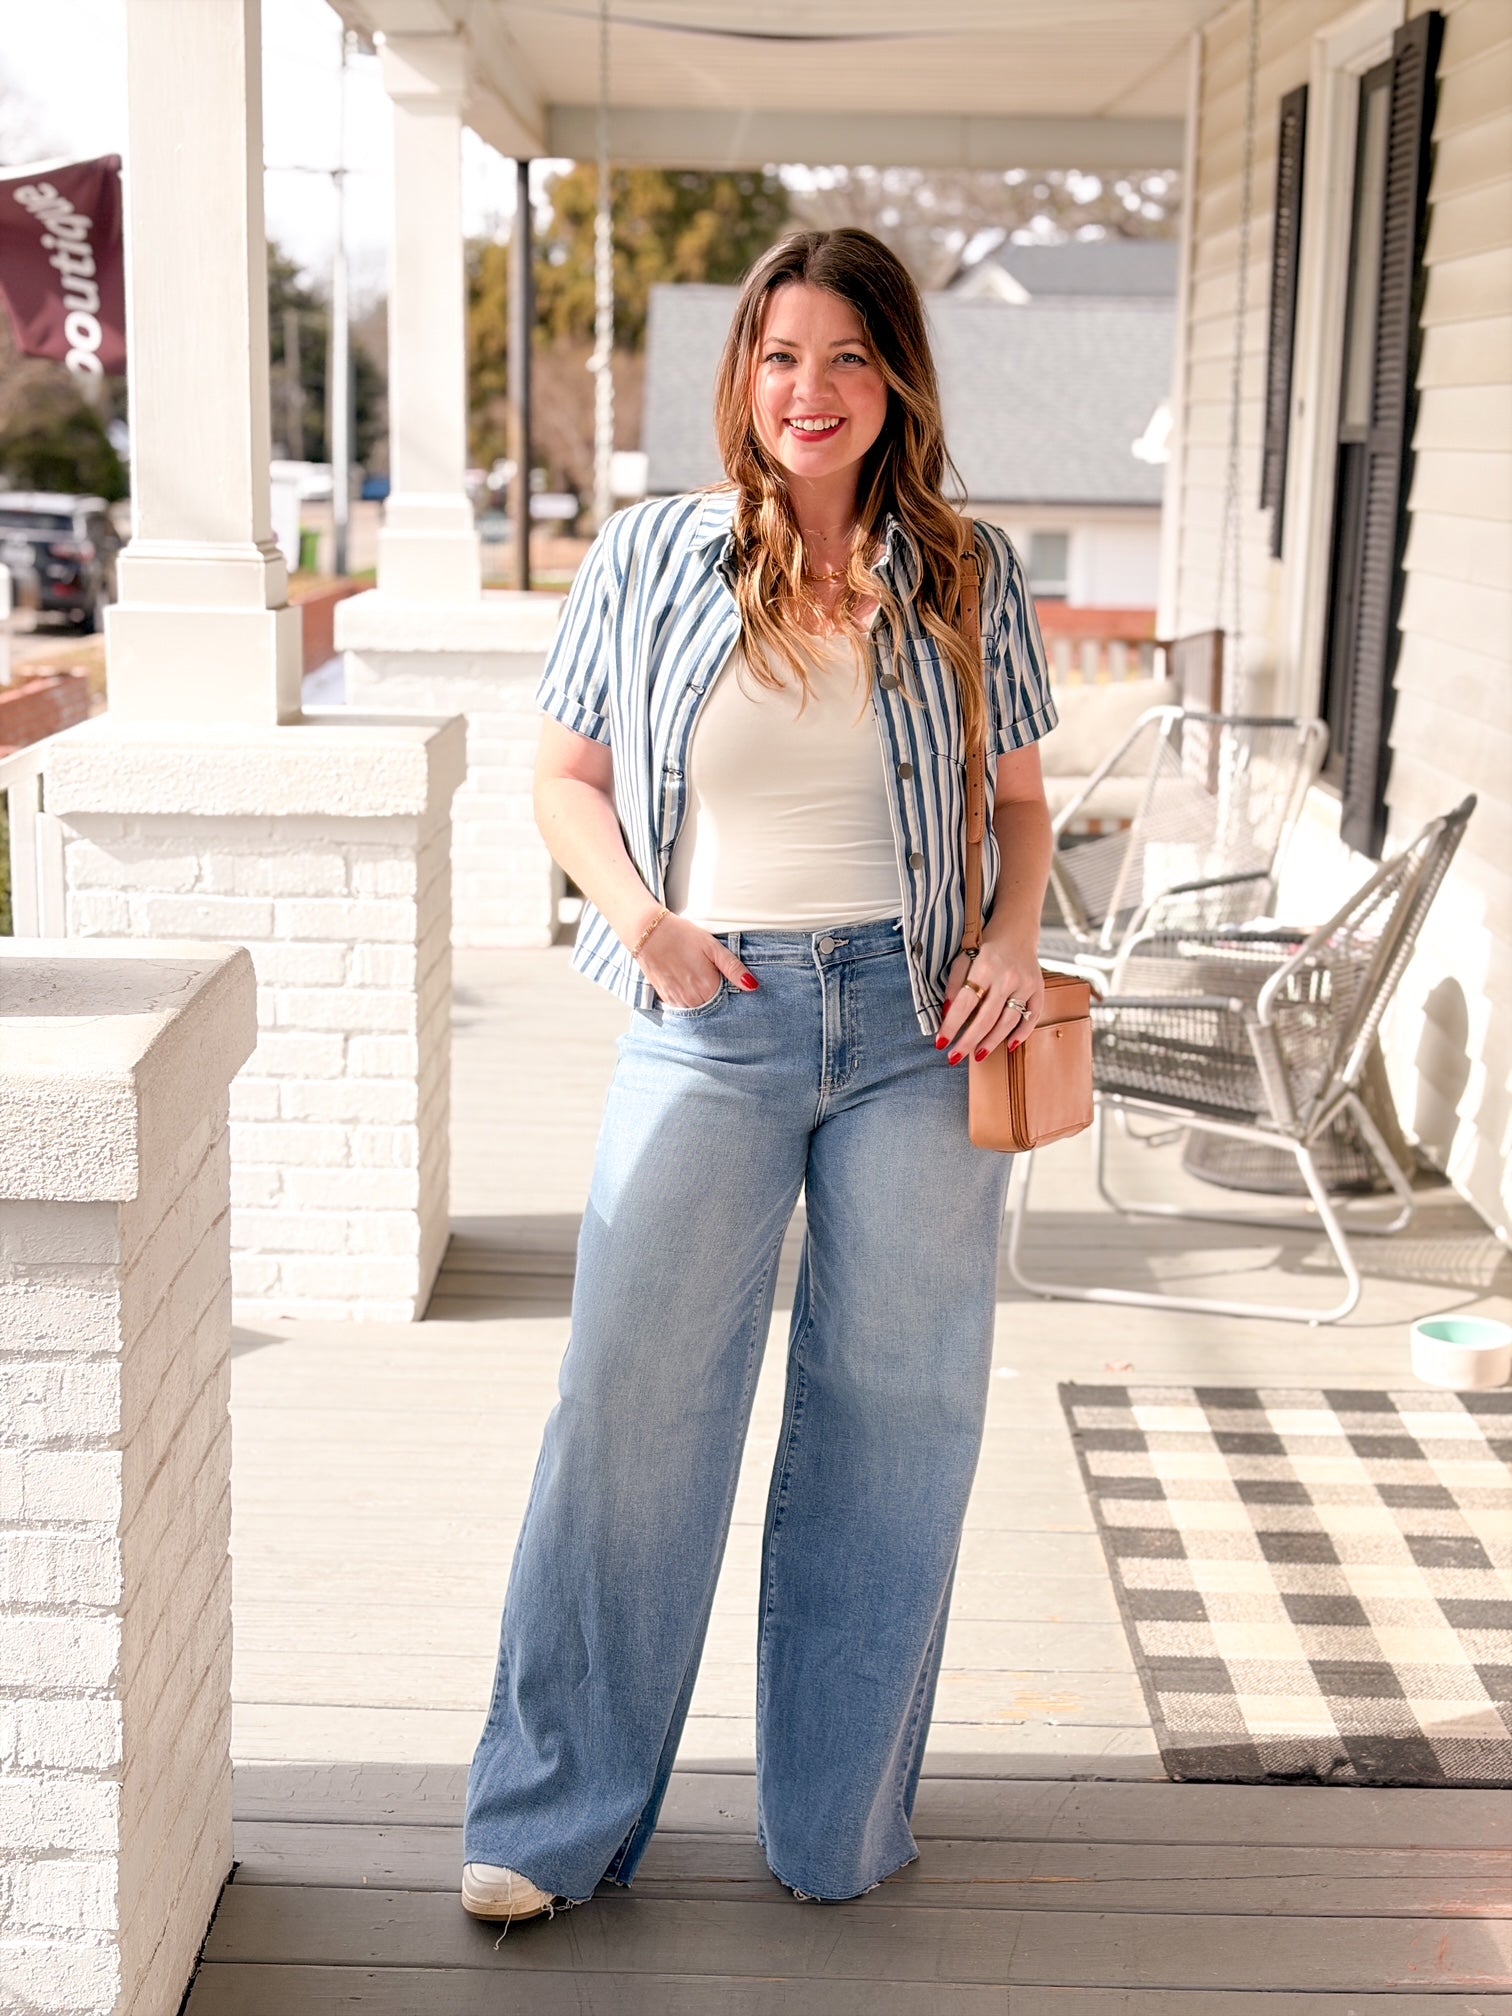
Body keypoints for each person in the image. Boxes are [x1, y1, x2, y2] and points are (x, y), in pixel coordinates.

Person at [462, 226, 1058, 1920]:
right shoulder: (650, 555)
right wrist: (641, 918)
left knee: (898, 1415)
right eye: (783, 355)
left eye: (850, 358)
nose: (813, 390)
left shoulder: (966, 567)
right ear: (743, 375)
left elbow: (1017, 804)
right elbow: (565, 779)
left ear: (897, 382)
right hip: (706, 1007)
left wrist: (1013, 939)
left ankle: (833, 1824)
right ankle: (549, 1823)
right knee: (627, 1410)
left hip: (918, 1027)